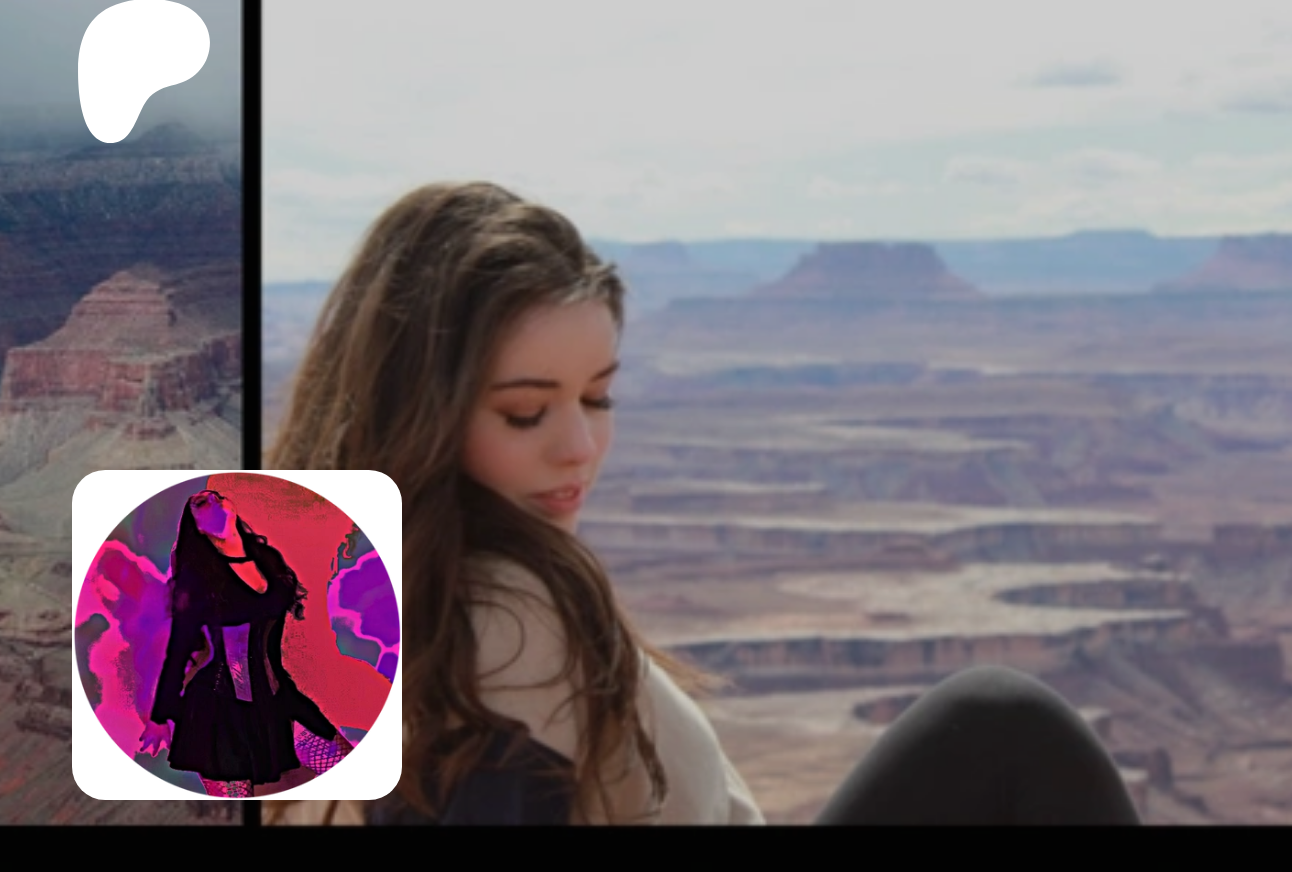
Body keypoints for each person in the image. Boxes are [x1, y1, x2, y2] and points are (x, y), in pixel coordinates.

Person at [265, 182, 1138, 825]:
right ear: (420, 410)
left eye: (598, 396)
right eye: (526, 412)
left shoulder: (309, 603)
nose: (580, 446)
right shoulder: (514, 614)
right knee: (1004, 726)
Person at [139, 489, 356, 798]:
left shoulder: (268, 561)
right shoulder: (196, 580)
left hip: (278, 700)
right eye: (201, 502)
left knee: (354, 770)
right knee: (237, 807)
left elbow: (270, 649)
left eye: (218, 496)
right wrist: (159, 717)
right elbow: (179, 650)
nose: (214, 500)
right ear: (195, 526)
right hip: (217, 715)